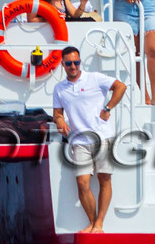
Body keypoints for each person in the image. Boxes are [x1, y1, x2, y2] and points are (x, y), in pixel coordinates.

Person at [51, 44, 127, 232]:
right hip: (79, 141)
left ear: (80, 62)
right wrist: (60, 121)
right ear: (63, 64)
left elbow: (120, 86)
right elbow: (57, 113)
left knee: (104, 179)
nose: (73, 66)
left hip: (102, 137)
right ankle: (92, 222)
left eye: (76, 62)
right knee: (82, 182)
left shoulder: (94, 78)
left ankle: (99, 223)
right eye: (69, 63)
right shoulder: (59, 89)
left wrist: (108, 108)